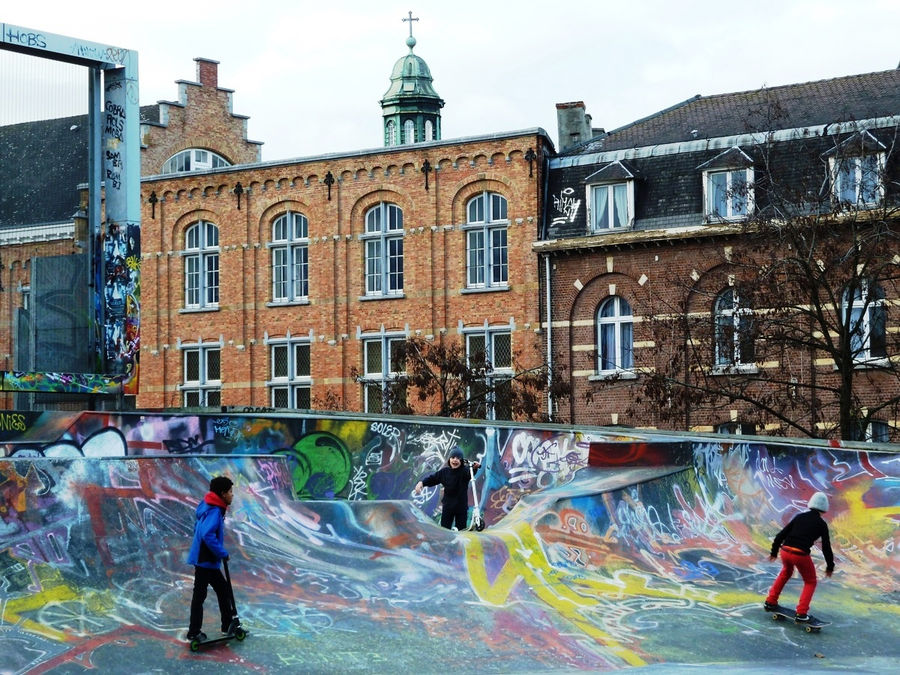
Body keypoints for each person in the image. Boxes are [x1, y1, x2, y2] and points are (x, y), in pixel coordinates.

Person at [764, 491, 835, 621]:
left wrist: (774, 552)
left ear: (811, 504)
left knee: (786, 572)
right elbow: (826, 547)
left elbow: (781, 535)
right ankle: (801, 613)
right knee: (810, 581)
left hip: (785, 551)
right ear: (825, 509)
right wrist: (830, 566)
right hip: (800, 554)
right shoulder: (822, 524)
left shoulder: (799, 517)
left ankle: (770, 601)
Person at [186, 475, 235, 642]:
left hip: (204, 559)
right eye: (230, 492)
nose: (232, 495)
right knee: (204, 595)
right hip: (205, 560)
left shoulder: (207, 505)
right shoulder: (214, 510)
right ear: (222, 493)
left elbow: (197, 527)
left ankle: (226, 625)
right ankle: (195, 632)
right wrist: (222, 553)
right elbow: (207, 534)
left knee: (220, 591)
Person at [414, 448, 481, 530]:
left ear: (461, 460)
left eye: (458, 458)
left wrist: (474, 468)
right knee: (445, 530)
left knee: (462, 530)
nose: (455, 460)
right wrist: (422, 483)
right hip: (448, 507)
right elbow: (433, 479)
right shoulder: (444, 472)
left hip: (461, 507)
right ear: (449, 459)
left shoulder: (464, 471)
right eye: (453, 457)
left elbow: (470, 473)